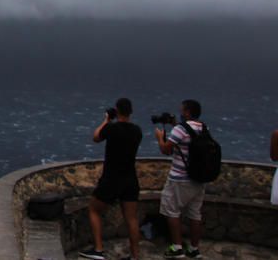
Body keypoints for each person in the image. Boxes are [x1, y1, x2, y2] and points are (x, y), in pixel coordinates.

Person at [79, 97, 142, 260]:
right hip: (130, 179)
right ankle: (135, 256)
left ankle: (99, 250)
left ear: (117, 110)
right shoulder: (137, 131)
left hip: (112, 178)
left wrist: (106, 120)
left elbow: (96, 137)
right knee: (132, 219)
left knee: (93, 209)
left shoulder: (112, 129)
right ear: (131, 112)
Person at [154, 99, 205, 259]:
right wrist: (175, 124)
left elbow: (166, 150)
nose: (181, 113)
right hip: (199, 178)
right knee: (195, 214)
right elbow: (188, 141)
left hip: (179, 179)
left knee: (172, 211)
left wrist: (159, 137)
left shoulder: (179, 130)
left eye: (182, 110)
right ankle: (194, 249)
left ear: (188, 112)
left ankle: (177, 248)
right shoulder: (203, 127)